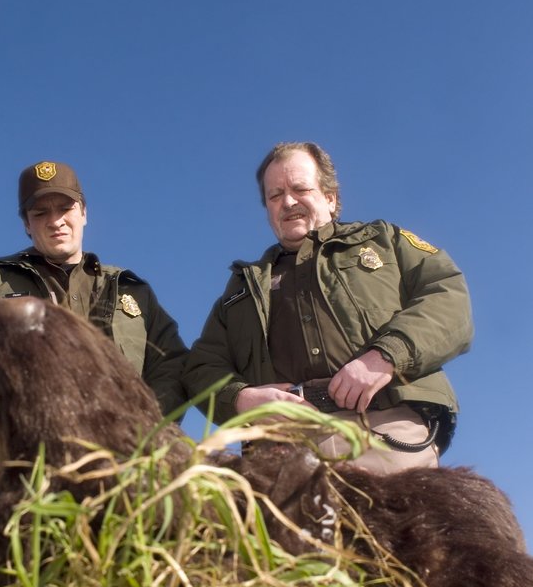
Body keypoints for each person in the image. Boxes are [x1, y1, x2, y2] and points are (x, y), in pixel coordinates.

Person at [183, 141, 473, 472]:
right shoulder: (242, 288)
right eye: (275, 196)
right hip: (281, 448)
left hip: (384, 429)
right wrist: (242, 399)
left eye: (299, 188)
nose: (288, 201)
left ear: (330, 197)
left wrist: (385, 356)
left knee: (401, 524)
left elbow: (447, 294)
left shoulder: (386, 243)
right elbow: (201, 368)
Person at [0, 160, 188, 420]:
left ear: (84, 213)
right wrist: (7, 424)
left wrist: (148, 430)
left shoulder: (131, 290)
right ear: (26, 225)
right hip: (26, 451)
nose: (55, 221)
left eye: (66, 208)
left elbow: (172, 364)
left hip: (124, 452)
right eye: (40, 213)